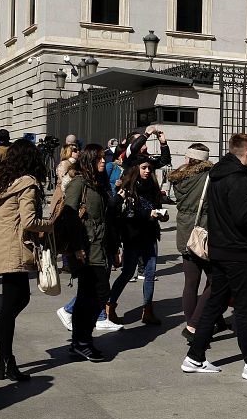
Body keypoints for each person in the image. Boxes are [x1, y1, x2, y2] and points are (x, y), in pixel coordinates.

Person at [181, 133, 247, 382]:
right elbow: (243, 217)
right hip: (237, 251)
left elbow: (231, 208)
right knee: (245, 307)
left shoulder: (218, 174)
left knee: (216, 302)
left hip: (220, 248)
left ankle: (194, 357)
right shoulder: (236, 178)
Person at [0, 139, 52, 381]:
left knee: (16, 300)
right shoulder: (27, 183)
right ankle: (1, 357)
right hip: (15, 246)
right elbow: (29, 221)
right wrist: (51, 225)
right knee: (13, 303)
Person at [63, 144, 113, 361]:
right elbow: (68, 215)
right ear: (89, 160)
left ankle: (81, 340)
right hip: (85, 247)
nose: (103, 161)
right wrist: (76, 247)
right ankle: (82, 339)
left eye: (104, 158)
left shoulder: (98, 182)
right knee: (98, 292)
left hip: (99, 245)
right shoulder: (79, 182)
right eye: (99, 158)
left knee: (89, 295)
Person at [107, 156, 168, 325]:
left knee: (150, 273)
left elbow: (156, 206)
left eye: (149, 168)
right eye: (144, 167)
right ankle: (110, 306)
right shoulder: (129, 187)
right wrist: (148, 214)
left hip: (150, 234)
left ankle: (147, 310)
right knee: (127, 272)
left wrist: (161, 214)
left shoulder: (153, 186)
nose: (147, 171)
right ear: (136, 169)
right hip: (132, 235)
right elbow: (128, 213)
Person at [167, 143, 214, 340]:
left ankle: (191, 323)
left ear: (188, 158)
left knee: (190, 283)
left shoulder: (178, 178)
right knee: (216, 281)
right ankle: (194, 324)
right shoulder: (208, 177)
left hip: (185, 232)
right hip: (204, 231)